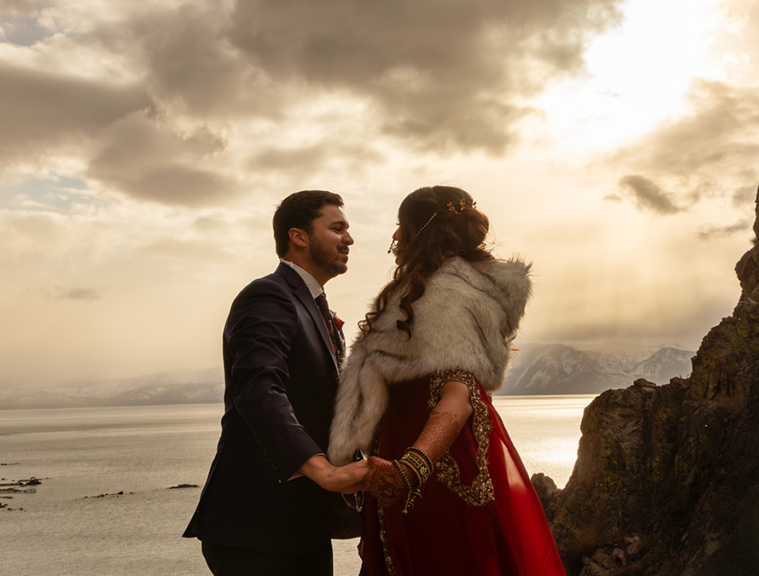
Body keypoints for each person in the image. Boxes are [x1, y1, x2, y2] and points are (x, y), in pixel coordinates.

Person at [328, 186, 567, 576]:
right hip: (427, 462)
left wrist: (411, 467)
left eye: (399, 227)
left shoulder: (443, 294)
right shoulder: (437, 289)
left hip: (436, 473)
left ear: (415, 232)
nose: (394, 238)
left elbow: (458, 393)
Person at [184, 190, 368, 576]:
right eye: (337, 228)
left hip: (302, 525)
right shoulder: (268, 295)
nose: (349, 239)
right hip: (256, 528)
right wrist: (323, 471)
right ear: (298, 236)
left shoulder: (315, 306)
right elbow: (257, 388)